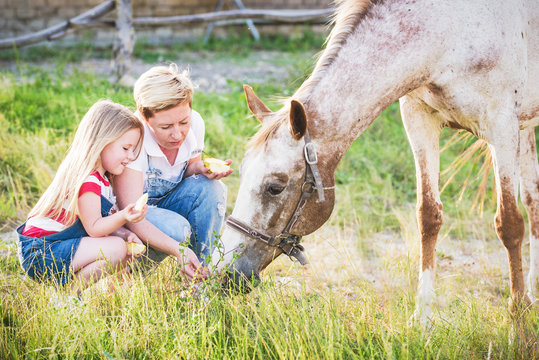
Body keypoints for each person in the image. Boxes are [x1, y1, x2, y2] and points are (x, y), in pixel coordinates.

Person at [16, 100, 148, 299]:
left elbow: (93, 222)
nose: (131, 156)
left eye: (133, 149)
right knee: (116, 249)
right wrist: (123, 216)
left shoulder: (100, 178)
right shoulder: (88, 179)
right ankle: (68, 296)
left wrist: (123, 234)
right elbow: (94, 227)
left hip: (53, 247)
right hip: (42, 251)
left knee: (122, 248)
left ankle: (74, 293)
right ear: (102, 142)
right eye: (125, 148)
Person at [115, 63, 232, 282]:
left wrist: (199, 169)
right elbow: (130, 214)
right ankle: (127, 279)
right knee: (177, 229)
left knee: (212, 189)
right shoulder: (132, 138)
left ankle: (200, 276)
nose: (177, 134)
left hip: (166, 202)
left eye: (183, 122)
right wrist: (179, 249)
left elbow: (187, 171)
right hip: (129, 217)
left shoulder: (195, 122)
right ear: (144, 117)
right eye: (166, 127)